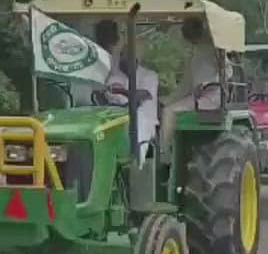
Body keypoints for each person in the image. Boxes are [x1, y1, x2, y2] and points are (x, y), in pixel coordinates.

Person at [94, 19, 159, 163]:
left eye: (130, 57)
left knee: (138, 120)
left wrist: (124, 92)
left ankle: (137, 165)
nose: (125, 59)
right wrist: (122, 93)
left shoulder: (150, 75)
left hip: (145, 121)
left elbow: (142, 96)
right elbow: (113, 96)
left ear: (137, 59)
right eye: (123, 55)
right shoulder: (115, 76)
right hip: (118, 119)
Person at [160, 17, 223, 163]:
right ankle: (168, 147)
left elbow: (227, 71)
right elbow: (186, 85)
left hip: (212, 97)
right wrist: (169, 99)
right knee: (165, 108)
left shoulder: (214, 49)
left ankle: (164, 155)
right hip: (198, 97)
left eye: (188, 30)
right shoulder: (196, 54)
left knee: (169, 111)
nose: (186, 34)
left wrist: (208, 84)